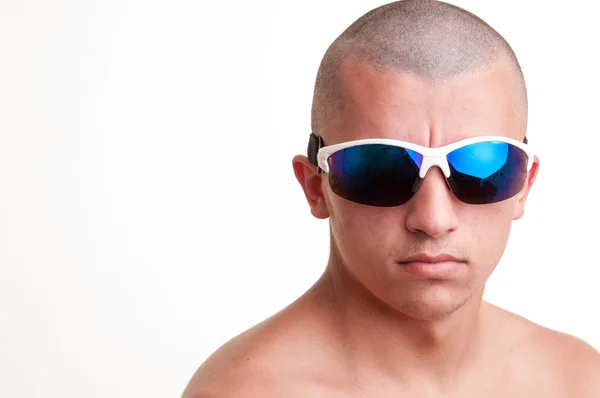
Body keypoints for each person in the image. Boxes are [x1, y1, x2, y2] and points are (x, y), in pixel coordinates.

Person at [183, 1, 600, 396]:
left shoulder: (578, 381)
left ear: (525, 184)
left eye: (481, 165)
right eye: (380, 168)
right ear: (315, 187)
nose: (433, 220)